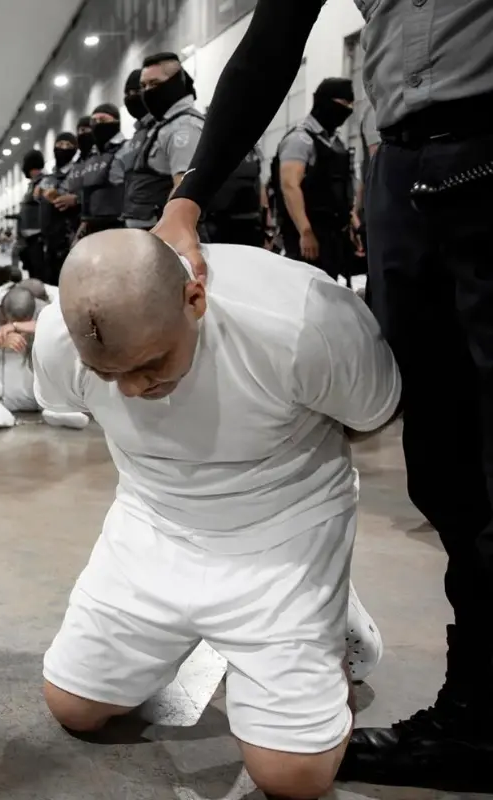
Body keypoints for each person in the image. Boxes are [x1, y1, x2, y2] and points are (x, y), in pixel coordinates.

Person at [153, 1, 493, 791]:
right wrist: (188, 197)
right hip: (406, 172)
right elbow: (271, 42)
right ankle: (477, 715)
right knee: (445, 469)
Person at [35, 229, 400, 800]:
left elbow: (372, 414)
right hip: (152, 523)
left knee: (293, 778)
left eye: (150, 364)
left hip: (285, 536)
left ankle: (332, 620)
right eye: (110, 375)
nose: (131, 390)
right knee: (74, 708)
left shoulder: (302, 320)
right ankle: (192, 639)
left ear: (195, 299)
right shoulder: (62, 336)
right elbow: (67, 400)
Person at [0, 282, 90, 432]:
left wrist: (20, 327)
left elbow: (82, 331)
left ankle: (57, 407)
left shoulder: (55, 300)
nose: (7, 326)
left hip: (34, 386)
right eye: (3, 320)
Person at [271, 78, 355, 278]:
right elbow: (289, 185)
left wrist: (352, 223)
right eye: (342, 106)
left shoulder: (334, 143)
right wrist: (305, 232)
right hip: (307, 235)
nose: (345, 113)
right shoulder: (300, 140)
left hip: (331, 235)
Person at [121, 54, 203, 230]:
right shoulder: (164, 125)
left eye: (155, 84)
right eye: (143, 86)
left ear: (175, 82)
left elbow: (184, 187)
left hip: (167, 235)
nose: (147, 91)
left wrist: (165, 231)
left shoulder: (183, 127)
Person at [76, 104, 127, 238]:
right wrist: (84, 221)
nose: (98, 124)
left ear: (116, 122)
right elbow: (88, 191)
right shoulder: (92, 157)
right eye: (94, 121)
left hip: (119, 227)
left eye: (103, 120)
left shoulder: (126, 150)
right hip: (93, 227)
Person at [39, 133, 80, 281]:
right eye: (60, 144)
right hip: (49, 239)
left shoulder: (77, 172)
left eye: (68, 146)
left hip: (67, 237)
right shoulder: (50, 176)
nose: (63, 148)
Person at [16, 150, 47, 280]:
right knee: (32, 273)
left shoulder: (43, 183)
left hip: (38, 238)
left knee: (39, 274)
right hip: (28, 238)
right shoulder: (33, 185)